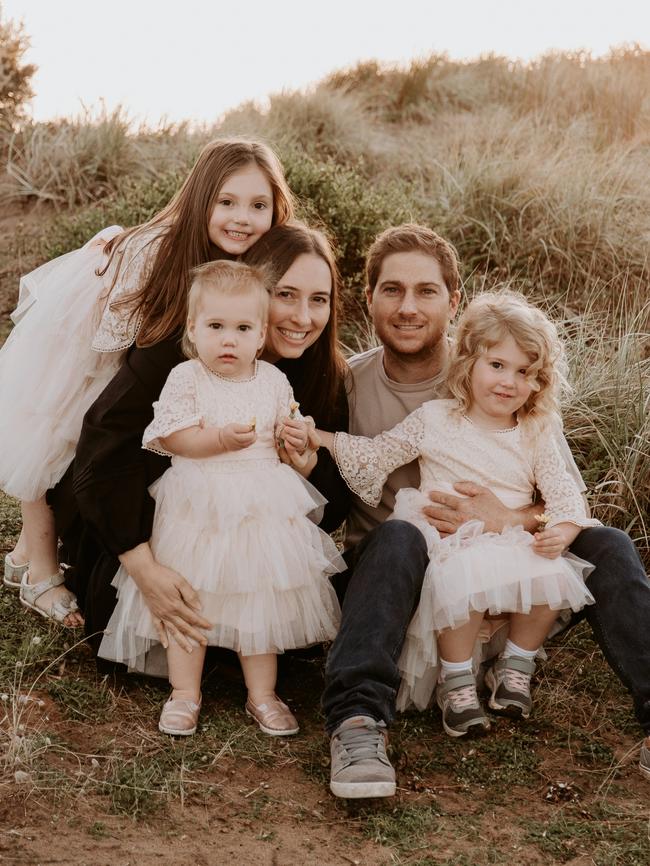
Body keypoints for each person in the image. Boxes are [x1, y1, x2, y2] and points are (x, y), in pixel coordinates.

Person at [321, 223, 650, 798]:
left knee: (612, 544)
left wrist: (505, 519)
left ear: (454, 301)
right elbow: (347, 463)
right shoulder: (344, 380)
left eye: (426, 291)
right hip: (394, 586)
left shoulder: (501, 368)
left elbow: (567, 504)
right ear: (368, 297)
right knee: (400, 537)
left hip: (510, 573)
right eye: (391, 290)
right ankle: (357, 721)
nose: (407, 307)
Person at [1, 137, 294, 628]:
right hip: (95, 349)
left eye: (258, 205)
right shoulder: (153, 249)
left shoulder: (252, 256)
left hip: (144, 359)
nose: (242, 217)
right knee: (56, 432)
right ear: (201, 198)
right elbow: (112, 349)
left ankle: (22, 553)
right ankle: (40, 569)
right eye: (226, 202)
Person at [46, 220, 349, 659]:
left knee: (266, 654)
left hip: (244, 554)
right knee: (150, 633)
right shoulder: (182, 357)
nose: (303, 318)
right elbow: (102, 452)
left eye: (319, 300)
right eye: (286, 295)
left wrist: (303, 467)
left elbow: (333, 508)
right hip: (143, 530)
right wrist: (144, 567)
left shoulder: (321, 373)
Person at [320, 290, 600, 735]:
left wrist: (561, 531)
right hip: (445, 538)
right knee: (462, 578)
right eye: (496, 365)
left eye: (524, 372)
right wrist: (322, 438)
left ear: (538, 382)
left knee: (552, 578)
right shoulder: (435, 418)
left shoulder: (535, 431)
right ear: (467, 362)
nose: (508, 381)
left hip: (508, 535)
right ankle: (456, 683)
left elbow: (565, 497)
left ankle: (515, 667)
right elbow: (378, 454)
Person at [98, 260, 342, 737]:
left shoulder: (272, 381)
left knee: (260, 599)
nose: (228, 340)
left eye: (242, 328)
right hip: (200, 506)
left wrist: (297, 447)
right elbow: (171, 437)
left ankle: (263, 695)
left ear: (261, 335)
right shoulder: (186, 377)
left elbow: (286, 443)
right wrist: (217, 441)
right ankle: (185, 693)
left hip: (261, 509)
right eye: (215, 327)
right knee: (192, 597)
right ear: (193, 329)